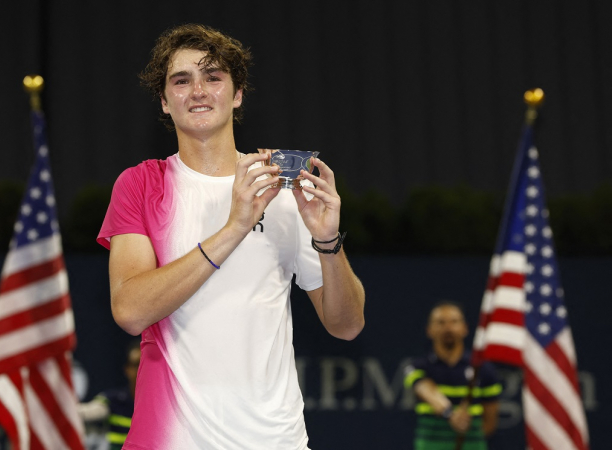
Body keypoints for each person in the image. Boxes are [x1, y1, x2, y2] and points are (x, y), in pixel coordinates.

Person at [96, 24, 365, 450]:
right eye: (181, 81)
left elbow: (347, 325)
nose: (198, 90)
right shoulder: (141, 185)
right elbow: (130, 310)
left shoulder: (282, 186)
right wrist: (235, 227)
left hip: (275, 441)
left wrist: (328, 241)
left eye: (213, 77)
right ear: (165, 102)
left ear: (237, 94)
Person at [404, 301, 502, 450]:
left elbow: (490, 423)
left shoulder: (483, 369)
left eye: (454, 322)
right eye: (441, 322)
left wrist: (470, 438)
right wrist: (450, 414)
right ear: (429, 330)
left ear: (465, 329)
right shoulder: (416, 367)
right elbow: (426, 390)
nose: (448, 328)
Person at [78, 341, 141, 449]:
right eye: (136, 364)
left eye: (144, 364)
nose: (140, 369)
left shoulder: (163, 405)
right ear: (127, 369)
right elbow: (88, 412)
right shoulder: (114, 400)